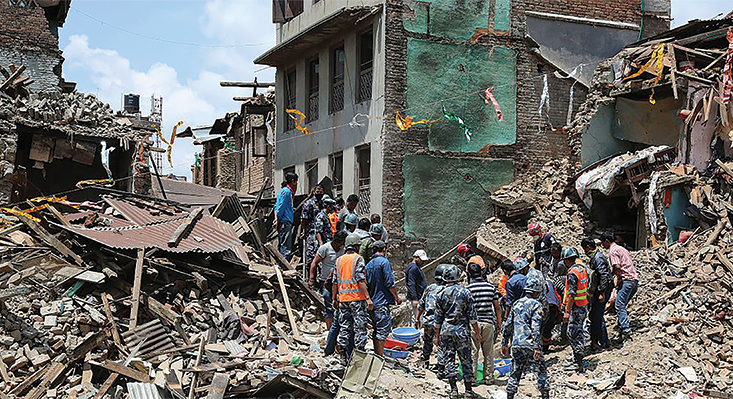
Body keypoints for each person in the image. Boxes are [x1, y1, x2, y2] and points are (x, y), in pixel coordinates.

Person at [434, 264, 480, 399]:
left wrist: (436, 337)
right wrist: (477, 333)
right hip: (462, 331)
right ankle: (468, 391)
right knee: (466, 360)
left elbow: (437, 319)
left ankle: (453, 390)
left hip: (446, 331)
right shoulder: (465, 292)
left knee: (449, 360)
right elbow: (472, 317)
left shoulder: (440, 294)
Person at [501, 276, 550, 399]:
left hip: (516, 344)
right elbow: (535, 328)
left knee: (515, 372)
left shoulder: (516, 304)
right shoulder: (537, 305)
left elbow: (508, 325)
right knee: (541, 372)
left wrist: (504, 343)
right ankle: (545, 395)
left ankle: (510, 395)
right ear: (535, 292)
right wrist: (537, 347)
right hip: (530, 344)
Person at [332, 233, 373, 365]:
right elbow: (360, 279)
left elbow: (335, 281)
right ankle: (359, 359)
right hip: (357, 299)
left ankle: (343, 357)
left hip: (343, 299)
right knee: (360, 328)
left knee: (344, 327)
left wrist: (334, 298)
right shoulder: (358, 259)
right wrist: (368, 298)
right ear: (356, 246)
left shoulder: (339, 260)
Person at [466, 263, 502, 385]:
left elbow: (466, 308)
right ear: (481, 273)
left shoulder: (468, 289)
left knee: (473, 352)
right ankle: (489, 378)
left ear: (470, 275)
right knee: (488, 352)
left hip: (473, 324)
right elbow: (497, 307)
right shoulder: (491, 287)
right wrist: (499, 323)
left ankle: (473, 378)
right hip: (488, 323)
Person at [365, 241, 401, 356]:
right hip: (382, 302)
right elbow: (389, 283)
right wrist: (397, 297)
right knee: (382, 330)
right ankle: (380, 357)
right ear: (384, 249)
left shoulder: (369, 264)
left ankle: (377, 354)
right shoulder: (384, 263)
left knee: (376, 330)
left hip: (372, 302)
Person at [601, 232, 638, 341]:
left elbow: (617, 266)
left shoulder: (612, 251)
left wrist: (610, 276)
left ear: (607, 241)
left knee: (619, 304)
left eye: (603, 243)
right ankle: (622, 327)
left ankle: (625, 329)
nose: (603, 245)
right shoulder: (622, 249)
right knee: (622, 305)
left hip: (626, 281)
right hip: (634, 280)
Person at [309, 230, 347, 329]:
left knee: (340, 304)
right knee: (328, 303)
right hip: (326, 281)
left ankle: (339, 327)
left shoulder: (343, 250)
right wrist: (311, 279)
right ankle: (330, 328)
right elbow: (314, 263)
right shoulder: (324, 248)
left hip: (340, 282)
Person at [561, 247, 589, 372]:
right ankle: (578, 357)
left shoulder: (572, 273)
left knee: (573, 333)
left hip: (576, 307)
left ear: (567, 260)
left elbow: (572, 293)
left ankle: (578, 362)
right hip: (583, 305)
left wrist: (567, 311)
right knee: (579, 332)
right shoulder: (582, 269)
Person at [582, 237, 613, 350]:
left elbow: (604, 275)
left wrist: (601, 292)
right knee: (594, 316)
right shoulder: (595, 257)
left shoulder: (598, 258)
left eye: (585, 249)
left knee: (597, 316)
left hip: (602, 291)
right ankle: (596, 341)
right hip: (598, 290)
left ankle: (604, 343)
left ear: (588, 247)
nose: (585, 251)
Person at [417, 264, 449, 369]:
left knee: (427, 341)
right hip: (440, 323)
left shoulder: (429, 288)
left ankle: (426, 362)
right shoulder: (447, 290)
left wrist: (417, 319)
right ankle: (440, 367)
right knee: (441, 343)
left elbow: (421, 305)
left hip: (428, 321)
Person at [274, 172, 298, 261]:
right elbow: (280, 207)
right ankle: (284, 266)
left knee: (281, 245)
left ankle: (280, 265)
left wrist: (276, 219)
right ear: (292, 181)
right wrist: (278, 219)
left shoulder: (282, 191)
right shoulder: (287, 192)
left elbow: (276, 206)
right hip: (284, 221)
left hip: (282, 221)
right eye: (296, 182)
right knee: (285, 247)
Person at [301, 185, 324, 270]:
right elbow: (303, 219)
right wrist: (304, 230)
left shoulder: (323, 204)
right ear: (314, 192)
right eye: (317, 192)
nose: (319, 194)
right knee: (310, 256)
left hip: (321, 233)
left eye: (321, 192)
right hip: (311, 232)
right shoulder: (308, 203)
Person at [406, 249, 429, 326]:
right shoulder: (413, 268)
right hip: (415, 299)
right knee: (415, 320)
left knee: (418, 319)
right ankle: (415, 336)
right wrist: (415, 299)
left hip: (419, 298)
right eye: (421, 260)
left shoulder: (416, 267)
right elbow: (411, 283)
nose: (423, 262)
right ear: (415, 258)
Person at [541, 275, 561, 353]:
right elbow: (557, 295)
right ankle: (545, 348)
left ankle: (543, 348)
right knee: (548, 328)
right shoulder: (551, 282)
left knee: (543, 327)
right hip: (554, 306)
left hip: (546, 306)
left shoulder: (537, 283)